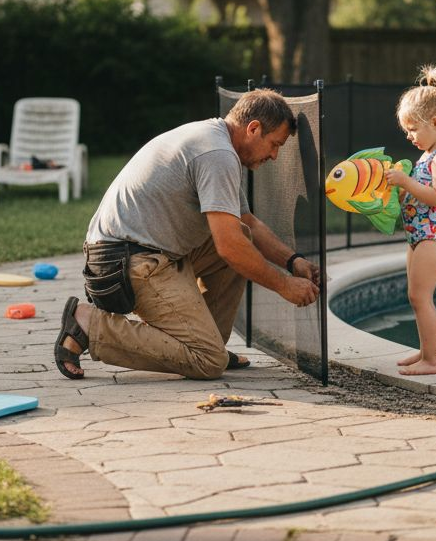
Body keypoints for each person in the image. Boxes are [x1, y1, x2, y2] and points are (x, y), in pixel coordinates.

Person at [54, 89, 322, 380]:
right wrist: (284, 286)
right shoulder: (217, 154)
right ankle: (88, 324)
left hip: (141, 252)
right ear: (253, 128)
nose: (274, 155)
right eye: (274, 145)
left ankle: (206, 345)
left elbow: (248, 225)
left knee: (241, 235)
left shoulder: (214, 140)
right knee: (208, 362)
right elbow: (229, 247)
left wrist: (293, 261)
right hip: (123, 263)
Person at [385, 65, 436, 376]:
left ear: (435, 122)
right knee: (414, 296)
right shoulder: (427, 155)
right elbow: (417, 197)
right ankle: (425, 350)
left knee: (421, 296)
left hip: (433, 238)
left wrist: (405, 182)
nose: (409, 136)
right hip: (418, 237)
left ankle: (433, 360)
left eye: (413, 129)